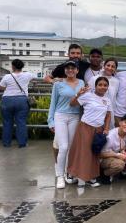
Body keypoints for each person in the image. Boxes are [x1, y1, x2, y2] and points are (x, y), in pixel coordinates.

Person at [68, 77, 112, 188]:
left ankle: (91, 177)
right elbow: (72, 104)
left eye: (105, 85)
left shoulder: (107, 100)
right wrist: (78, 94)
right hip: (85, 127)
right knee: (83, 152)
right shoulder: (88, 96)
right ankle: (74, 174)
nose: (102, 87)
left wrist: (106, 129)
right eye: (100, 85)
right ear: (95, 86)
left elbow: (108, 115)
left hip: (98, 130)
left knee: (94, 153)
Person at [47, 61, 84, 189]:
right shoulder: (58, 84)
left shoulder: (81, 83)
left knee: (70, 147)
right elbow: (53, 103)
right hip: (60, 116)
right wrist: (50, 121)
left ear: (77, 70)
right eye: (67, 68)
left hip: (75, 117)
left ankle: (69, 172)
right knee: (63, 147)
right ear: (65, 70)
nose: (70, 70)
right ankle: (60, 176)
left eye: (73, 68)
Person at [0, 59, 36, 148]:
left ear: (13, 66)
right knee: (21, 122)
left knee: (7, 122)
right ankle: (22, 143)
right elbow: (35, 78)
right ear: (22, 66)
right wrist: (32, 82)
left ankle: (6, 143)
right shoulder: (27, 75)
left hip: (7, 100)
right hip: (22, 101)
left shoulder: (7, 76)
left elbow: (1, 87)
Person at [99, 114, 126, 184]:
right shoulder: (110, 137)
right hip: (104, 158)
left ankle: (124, 173)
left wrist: (123, 151)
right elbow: (100, 154)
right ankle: (104, 174)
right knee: (119, 164)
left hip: (118, 153)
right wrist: (117, 155)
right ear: (120, 123)